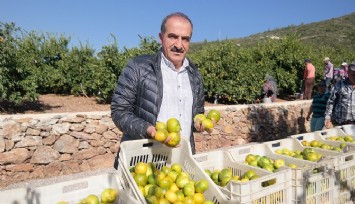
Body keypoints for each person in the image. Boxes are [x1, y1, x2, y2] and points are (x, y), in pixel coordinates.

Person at [111, 12, 206, 169]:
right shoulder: (138, 67)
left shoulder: (194, 75)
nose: (179, 44)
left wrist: (199, 122)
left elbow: (197, 113)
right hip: (143, 162)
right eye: (173, 37)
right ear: (161, 38)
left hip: (180, 162)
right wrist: (148, 130)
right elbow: (119, 111)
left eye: (185, 39)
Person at [325, 62, 355, 128]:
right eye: (354, 75)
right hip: (341, 124)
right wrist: (328, 117)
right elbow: (331, 101)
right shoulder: (340, 84)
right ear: (348, 73)